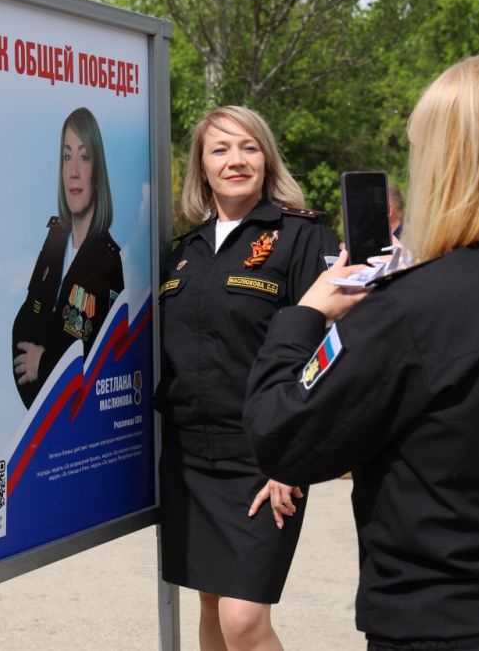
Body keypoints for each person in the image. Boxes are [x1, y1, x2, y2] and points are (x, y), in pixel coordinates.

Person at [244, 53, 479, 650]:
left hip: (444, 622)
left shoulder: (411, 309)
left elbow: (281, 435)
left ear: (448, 162)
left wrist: (306, 315)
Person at [156, 105, 338, 650]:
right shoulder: (183, 252)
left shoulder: (302, 237)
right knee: (211, 606)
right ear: (202, 168)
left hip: (265, 458)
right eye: (220, 149)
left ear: (267, 159)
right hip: (190, 462)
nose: (235, 160)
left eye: (249, 147)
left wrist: (292, 457)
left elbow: (328, 352)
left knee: (243, 619)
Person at [12, 107, 124, 409]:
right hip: (38, 414)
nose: (73, 170)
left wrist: (45, 362)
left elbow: (105, 358)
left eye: (84, 157)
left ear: (98, 171)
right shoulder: (54, 239)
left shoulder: (109, 261)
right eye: (66, 157)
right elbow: (28, 317)